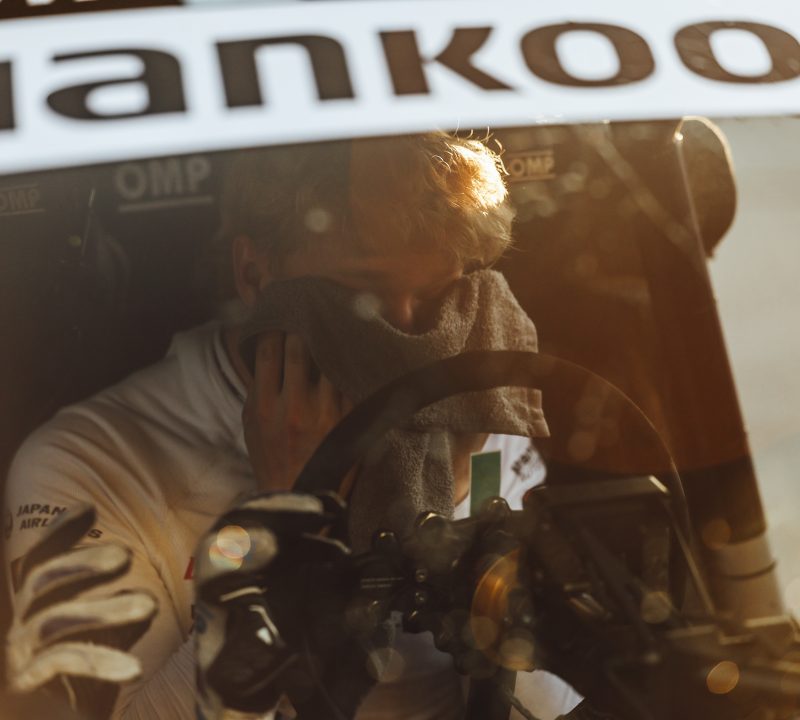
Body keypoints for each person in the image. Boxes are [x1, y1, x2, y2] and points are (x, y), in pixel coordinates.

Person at [4, 133, 581, 719]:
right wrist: (279, 530)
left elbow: (548, 699)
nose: (410, 342)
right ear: (254, 275)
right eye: (365, 295)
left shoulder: (475, 415)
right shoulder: (93, 465)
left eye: (437, 299)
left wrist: (456, 503)